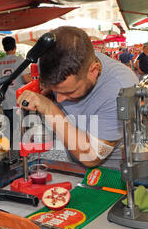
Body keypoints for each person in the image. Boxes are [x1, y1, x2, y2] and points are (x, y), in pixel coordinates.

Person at [16, 26, 138, 169]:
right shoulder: (52, 62)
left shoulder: (120, 88)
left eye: (69, 92)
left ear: (93, 71)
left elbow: (91, 156)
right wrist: (47, 92)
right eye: (57, 92)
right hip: (74, 162)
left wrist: (50, 109)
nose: (60, 99)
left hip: (115, 171)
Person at [0, 36, 31, 147]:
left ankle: (10, 153)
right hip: (19, 100)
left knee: (11, 127)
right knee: (22, 127)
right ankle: (22, 154)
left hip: (6, 101)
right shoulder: (20, 60)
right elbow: (26, 79)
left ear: (4, 48)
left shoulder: (0, 63)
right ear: (15, 47)